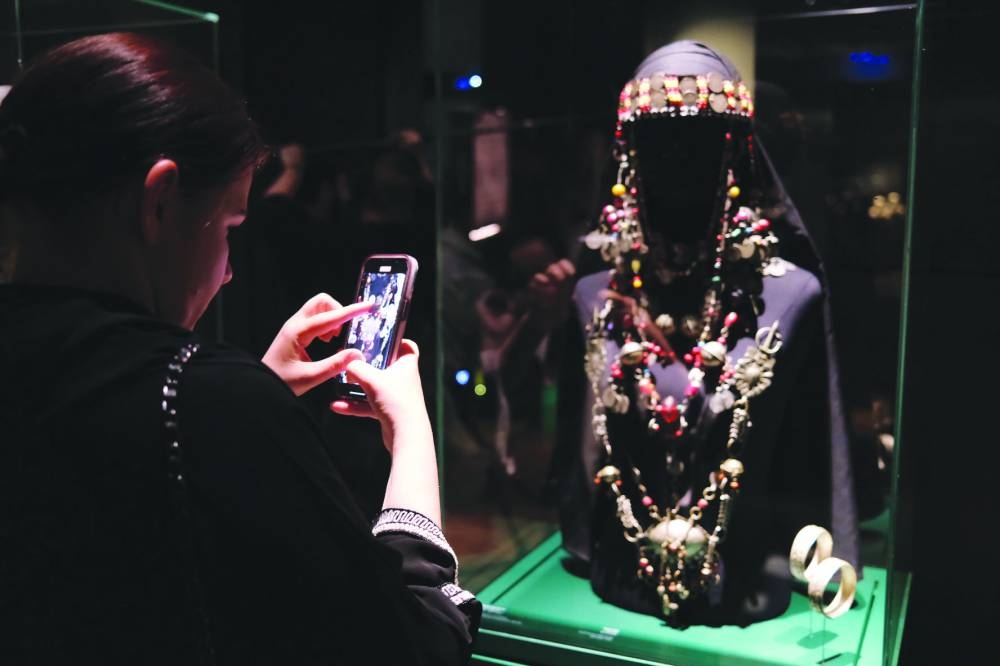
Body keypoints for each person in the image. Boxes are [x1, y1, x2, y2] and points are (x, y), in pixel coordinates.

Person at [0, 33, 479, 665]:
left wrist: (255, 390)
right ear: (161, 201)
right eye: (230, 226)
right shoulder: (212, 402)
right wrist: (412, 434)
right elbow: (415, 643)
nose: (228, 272)